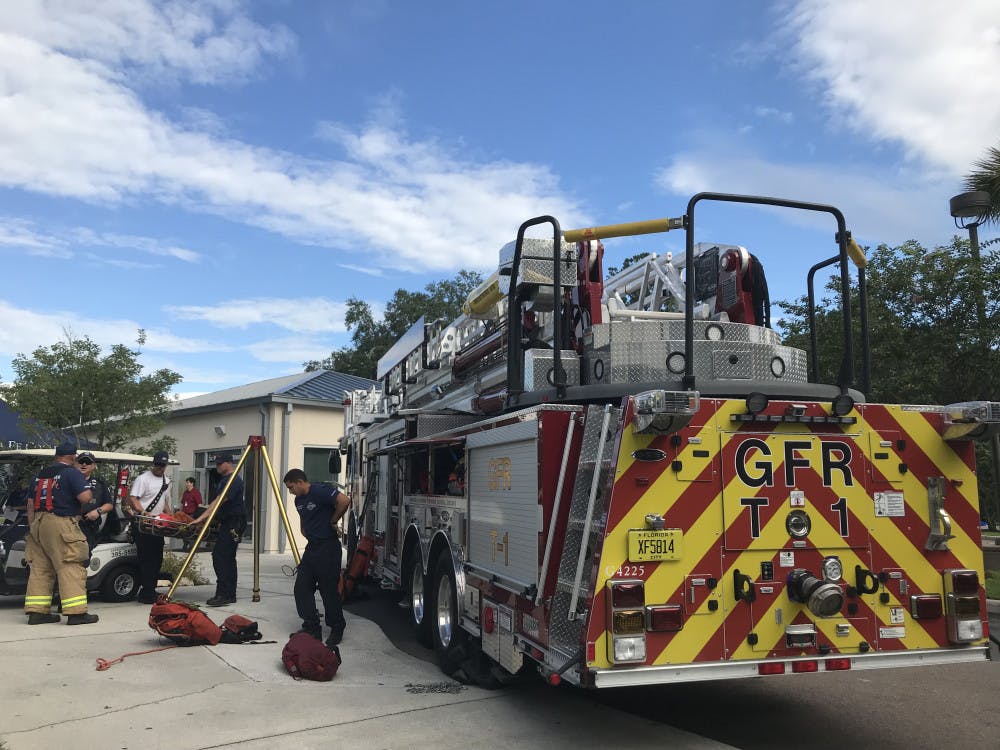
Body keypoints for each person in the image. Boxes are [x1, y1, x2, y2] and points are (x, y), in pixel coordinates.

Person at [23, 441, 99, 625]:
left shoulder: (40, 475)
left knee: (41, 568)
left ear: (56, 456)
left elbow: (31, 504)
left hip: (38, 523)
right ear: (72, 456)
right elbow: (85, 497)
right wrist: (88, 493)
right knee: (70, 565)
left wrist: (33, 527)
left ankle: (37, 612)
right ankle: (76, 613)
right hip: (61, 522)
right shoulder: (71, 473)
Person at [283, 468, 350, 648]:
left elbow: (344, 501)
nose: (290, 492)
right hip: (313, 548)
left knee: (328, 590)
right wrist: (308, 533)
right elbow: (304, 522)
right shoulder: (299, 500)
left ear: (299, 482)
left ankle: (336, 627)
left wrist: (334, 520)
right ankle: (311, 627)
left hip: (328, 547)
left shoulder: (319, 491)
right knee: (302, 588)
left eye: (291, 487)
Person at [191, 453, 245, 606]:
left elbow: (219, 501)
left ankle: (224, 594)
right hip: (227, 521)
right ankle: (228, 593)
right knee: (226, 557)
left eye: (220, 464)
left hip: (234, 522)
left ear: (228, 463)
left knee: (221, 556)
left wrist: (203, 517)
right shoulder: (224, 481)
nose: (217, 466)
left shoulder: (233, 481)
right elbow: (217, 502)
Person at [127, 450, 173, 604]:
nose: (160, 468)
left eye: (163, 465)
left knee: (157, 558)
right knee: (146, 559)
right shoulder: (143, 479)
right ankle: (146, 592)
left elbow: (165, 502)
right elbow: (133, 498)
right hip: (144, 524)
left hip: (158, 525)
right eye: (158, 465)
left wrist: (171, 518)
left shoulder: (166, 481)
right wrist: (144, 512)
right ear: (153, 464)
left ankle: (149, 588)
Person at [77, 451, 114, 557]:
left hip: (88, 526)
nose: (84, 464)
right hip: (69, 525)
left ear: (93, 466)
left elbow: (109, 504)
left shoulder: (99, 484)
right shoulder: (67, 480)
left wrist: (98, 511)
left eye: (87, 462)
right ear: (76, 464)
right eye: (81, 461)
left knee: (84, 557)